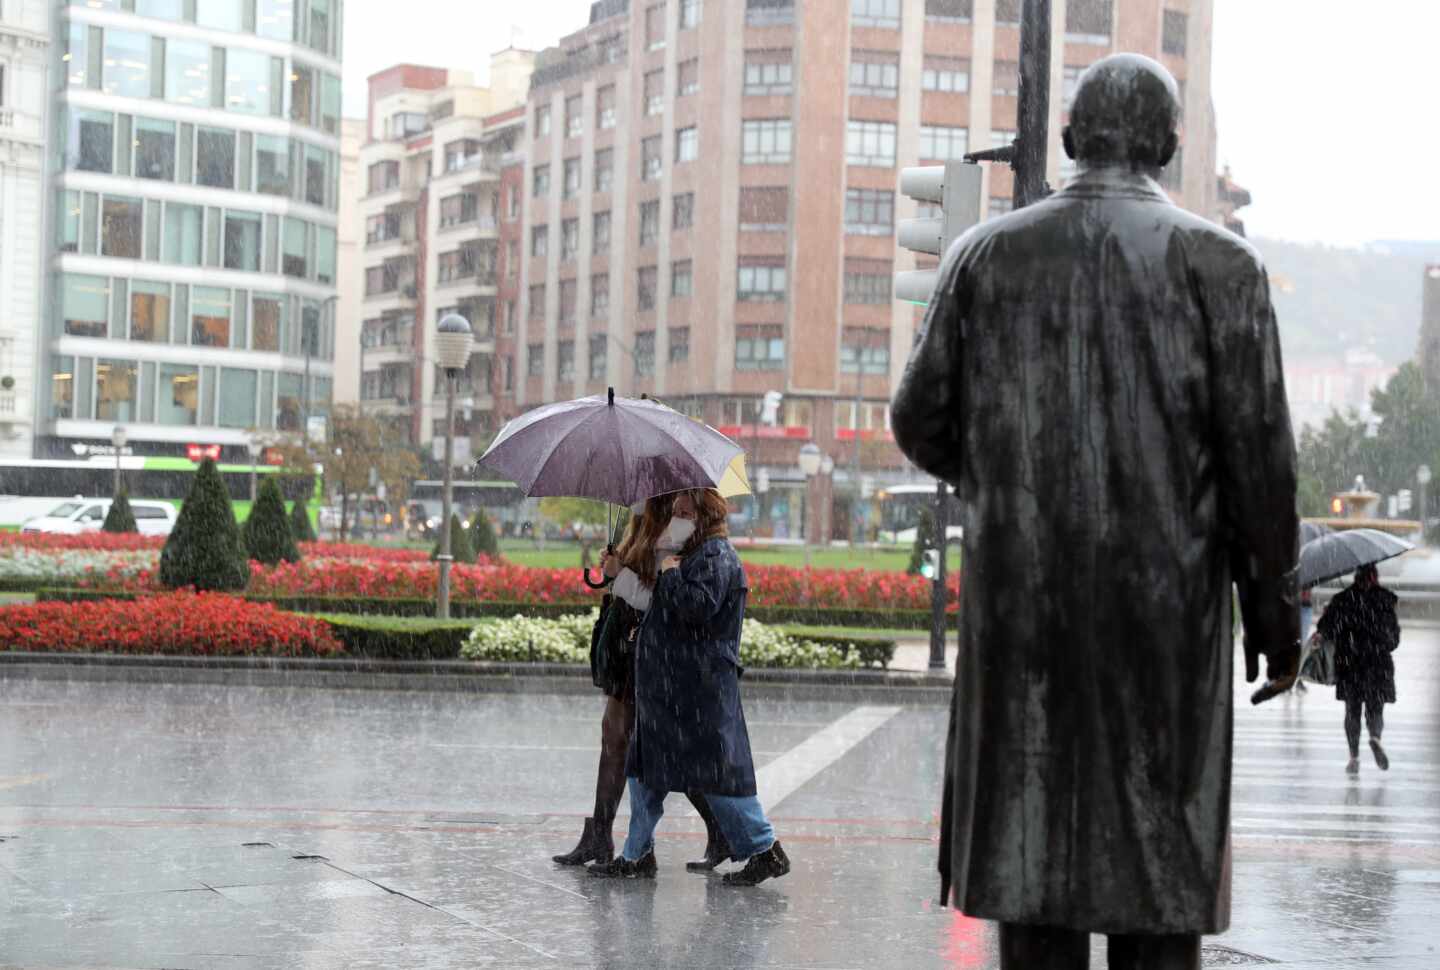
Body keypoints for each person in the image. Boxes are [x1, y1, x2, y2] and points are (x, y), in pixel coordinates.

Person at [890, 53, 1299, 970]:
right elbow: (1261, 470)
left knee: (1035, 892)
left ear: (1070, 141)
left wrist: (1009, 482)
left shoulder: (983, 257)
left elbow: (919, 421)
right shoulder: (1224, 268)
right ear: (1170, 145)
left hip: (1024, 614)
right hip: (1166, 624)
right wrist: (1275, 617)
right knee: (1156, 891)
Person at [588, 489, 790, 886]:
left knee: (717, 780)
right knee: (643, 772)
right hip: (670, 690)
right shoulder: (690, 556)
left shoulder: (715, 557)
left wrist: (669, 574)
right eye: (676, 510)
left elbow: (697, 608)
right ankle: (636, 854)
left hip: (696, 690)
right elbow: (659, 606)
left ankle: (766, 850)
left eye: (684, 512)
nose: (675, 517)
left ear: (704, 518)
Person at [551, 495, 732, 869]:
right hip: (627, 648)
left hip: (647, 651)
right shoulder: (641, 523)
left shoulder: (672, 529)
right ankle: (604, 834)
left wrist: (623, 575)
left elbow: (659, 599)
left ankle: (709, 832)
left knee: (654, 749)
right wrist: (616, 565)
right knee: (617, 740)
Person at [1315, 564, 1399, 773]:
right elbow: (1394, 639)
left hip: (1349, 662)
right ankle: (1375, 737)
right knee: (1375, 707)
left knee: (1352, 711)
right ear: (1374, 577)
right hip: (1378, 663)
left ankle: (1354, 758)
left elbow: (1326, 629)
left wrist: (1329, 616)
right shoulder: (1385, 600)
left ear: (1356, 576)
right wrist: (1379, 642)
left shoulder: (1342, 600)